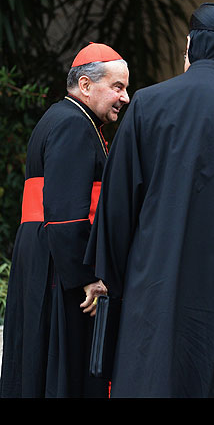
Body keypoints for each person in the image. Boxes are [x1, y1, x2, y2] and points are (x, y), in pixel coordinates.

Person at [83, 3, 214, 398]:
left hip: (157, 275)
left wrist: (112, 272)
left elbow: (120, 197)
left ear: (189, 47)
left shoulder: (147, 102)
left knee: (156, 374)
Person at [0, 43, 130, 398]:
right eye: (117, 87)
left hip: (46, 257)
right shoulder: (74, 124)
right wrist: (86, 277)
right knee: (62, 367)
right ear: (86, 85)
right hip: (60, 268)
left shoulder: (64, 118)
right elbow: (65, 214)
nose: (126, 98)